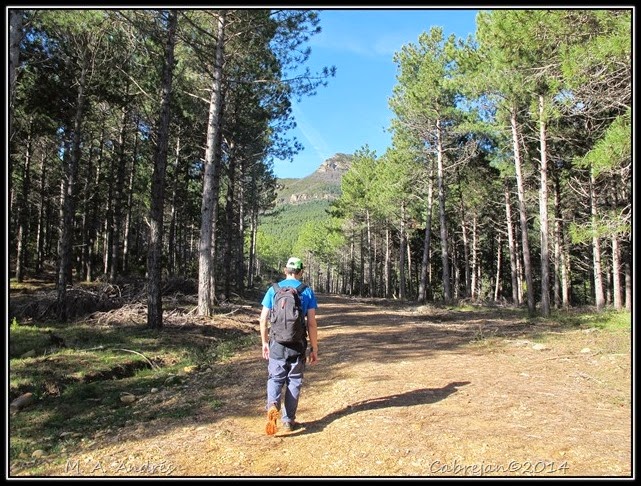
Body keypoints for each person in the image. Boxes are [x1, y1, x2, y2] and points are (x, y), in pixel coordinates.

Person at [259, 256, 319, 435]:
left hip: (277, 343)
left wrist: (264, 342)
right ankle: (288, 421)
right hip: (297, 344)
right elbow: (311, 324)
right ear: (301, 272)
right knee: (294, 381)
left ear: (285, 270)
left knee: (275, 379)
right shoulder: (306, 291)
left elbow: (263, 319)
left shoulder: (273, 289)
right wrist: (314, 348)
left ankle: (272, 405)